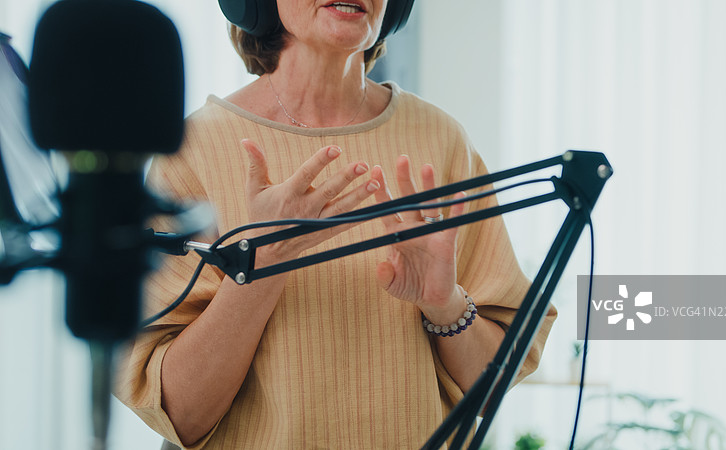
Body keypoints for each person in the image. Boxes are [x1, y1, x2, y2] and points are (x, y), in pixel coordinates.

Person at [115, 1, 557, 448]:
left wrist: (445, 304)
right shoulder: (193, 151)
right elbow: (178, 415)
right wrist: (265, 260)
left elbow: (493, 390)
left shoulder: (442, 140)